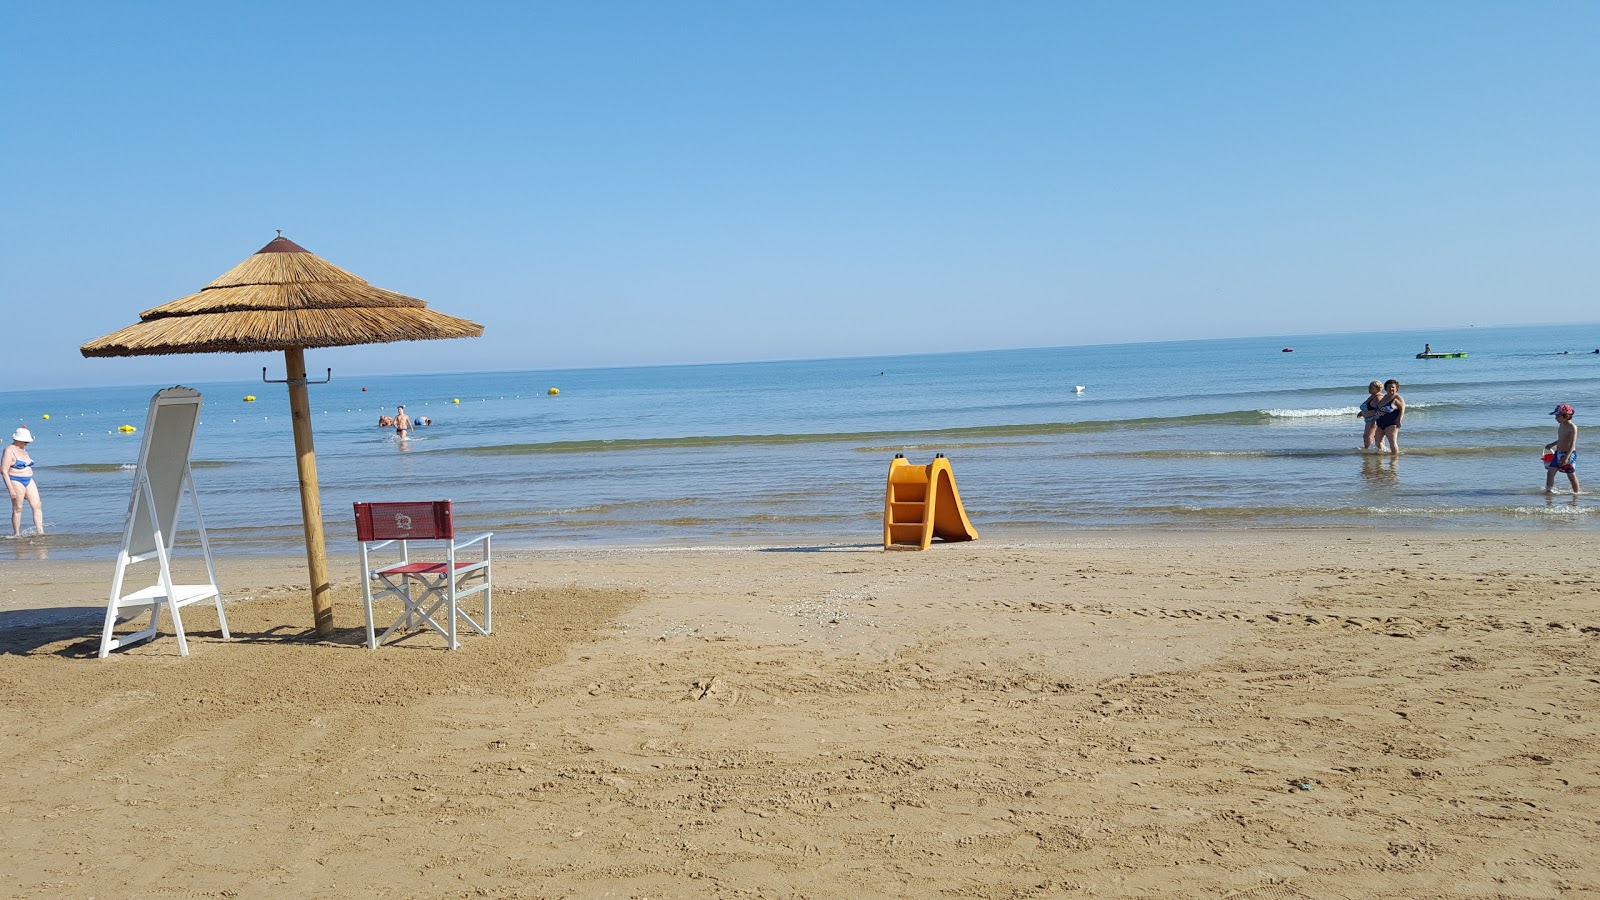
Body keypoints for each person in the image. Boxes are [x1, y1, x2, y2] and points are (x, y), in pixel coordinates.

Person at [3, 426, 44, 536]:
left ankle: (40, 532)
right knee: (18, 508)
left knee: (37, 505)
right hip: (15, 480)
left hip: (29, 479)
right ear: (17, 439)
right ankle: (17, 534)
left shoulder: (23, 449)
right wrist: (10, 489)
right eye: (25, 441)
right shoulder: (8, 450)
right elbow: (3, 471)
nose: (27, 443)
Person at [1544, 404, 1580, 493]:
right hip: (1558, 453)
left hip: (1569, 454)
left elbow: (1572, 444)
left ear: (1566, 416)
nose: (1556, 418)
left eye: (1558, 416)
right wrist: (1552, 444)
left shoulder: (1572, 428)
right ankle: (1549, 491)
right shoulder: (1561, 424)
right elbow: (1562, 439)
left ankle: (1576, 493)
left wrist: (1566, 457)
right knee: (1550, 473)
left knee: (1571, 475)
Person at [1370, 379, 1404, 454]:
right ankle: (1383, 454)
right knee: (1377, 441)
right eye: (1389, 387)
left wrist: (1399, 420)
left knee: (1392, 441)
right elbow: (1377, 410)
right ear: (1385, 388)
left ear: (1396, 388)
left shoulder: (1397, 398)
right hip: (1380, 423)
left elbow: (1402, 409)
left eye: (1393, 387)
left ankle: (1394, 458)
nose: (1391, 389)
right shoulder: (1384, 397)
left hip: (1391, 423)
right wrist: (1373, 420)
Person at [1357, 380, 1384, 450]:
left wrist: (1375, 420)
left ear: (1378, 388)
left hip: (1374, 420)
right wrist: (1362, 412)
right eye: (1369, 387)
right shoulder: (1372, 396)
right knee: (1370, 437)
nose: (1369, 389)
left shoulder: (1378, 398)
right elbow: (1370, 408)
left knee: (1368, 436)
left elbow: (1380, 411)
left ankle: (1368, 451)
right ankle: (1374, 450)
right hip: (1369, 420)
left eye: (1371, 388)